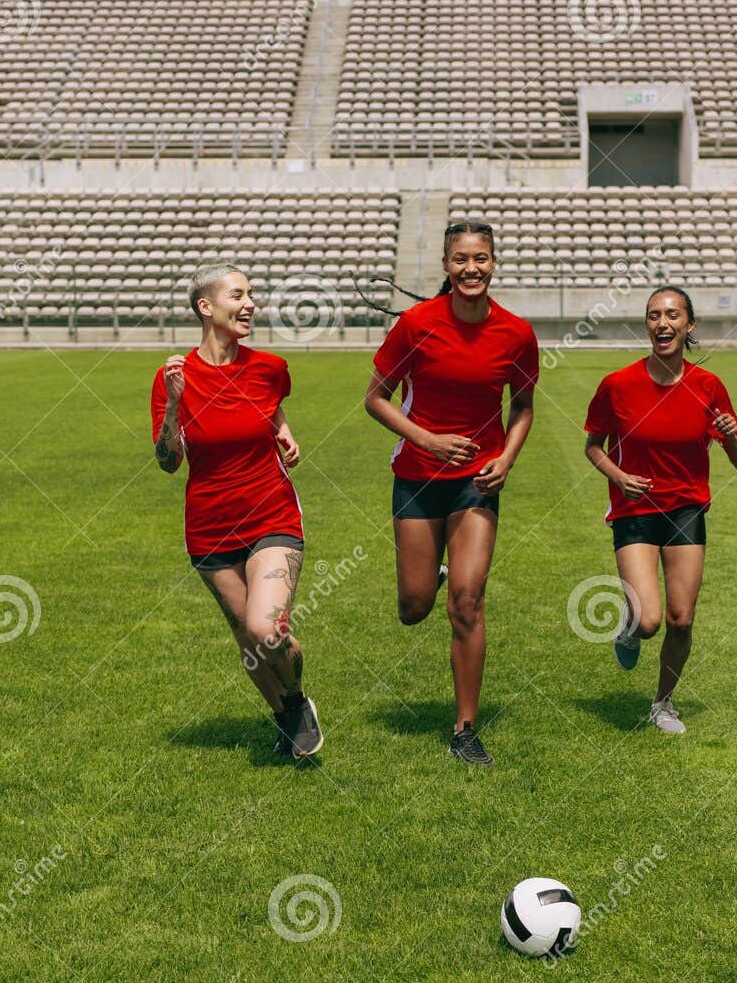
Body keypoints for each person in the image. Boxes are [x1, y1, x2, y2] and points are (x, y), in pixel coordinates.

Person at [364, 221, 538, 766]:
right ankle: (429, 577)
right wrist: (426, 439)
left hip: (476, 482)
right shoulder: (417, 324)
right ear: (445, 265)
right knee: (415, 608)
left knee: (468, 601)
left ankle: (465, 730)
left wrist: (505, 459)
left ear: (493, 263)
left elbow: (524, 406)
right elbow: (375, 397)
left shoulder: (516, 333)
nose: (471, 268)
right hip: (417, 474)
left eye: (481, 258)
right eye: (461, 258)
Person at [151, 263, 322, 758]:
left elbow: (269, 405)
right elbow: (167, 462)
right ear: (206, 307)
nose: (250, 304)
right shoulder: (173, 378)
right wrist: (173, 407)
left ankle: (296, 703)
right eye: (238, 295)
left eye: (251, 295)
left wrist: (282, 428)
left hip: (272, 515)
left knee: (265, 629)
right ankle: (287, 719)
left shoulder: (270, 366)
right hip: (209, 529)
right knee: (246, 638)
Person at [583, 285, 737, 734]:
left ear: (689, 325)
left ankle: (662, 703)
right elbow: (593, 446)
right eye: (654, 315)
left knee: (681, 619)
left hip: (685, 510)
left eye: (673, 315)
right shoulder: (617, 384)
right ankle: (628, 622)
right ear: (647, 326)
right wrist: (618, 477)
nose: (663, 323)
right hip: (635, 509)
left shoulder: (708, 386)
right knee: (650, 621)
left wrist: (731, 436)